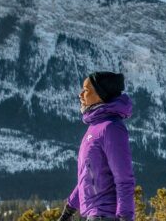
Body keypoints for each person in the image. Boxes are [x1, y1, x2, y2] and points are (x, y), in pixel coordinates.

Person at [58, 72, 136, 221]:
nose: (80, 95)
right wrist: (69, 209)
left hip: (106, 215)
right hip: (94, 215)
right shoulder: (94, 128)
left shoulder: (111, 128)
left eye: (86, 90)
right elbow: (87, 176)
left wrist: (126, 216)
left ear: (101, 94)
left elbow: (124, 177)